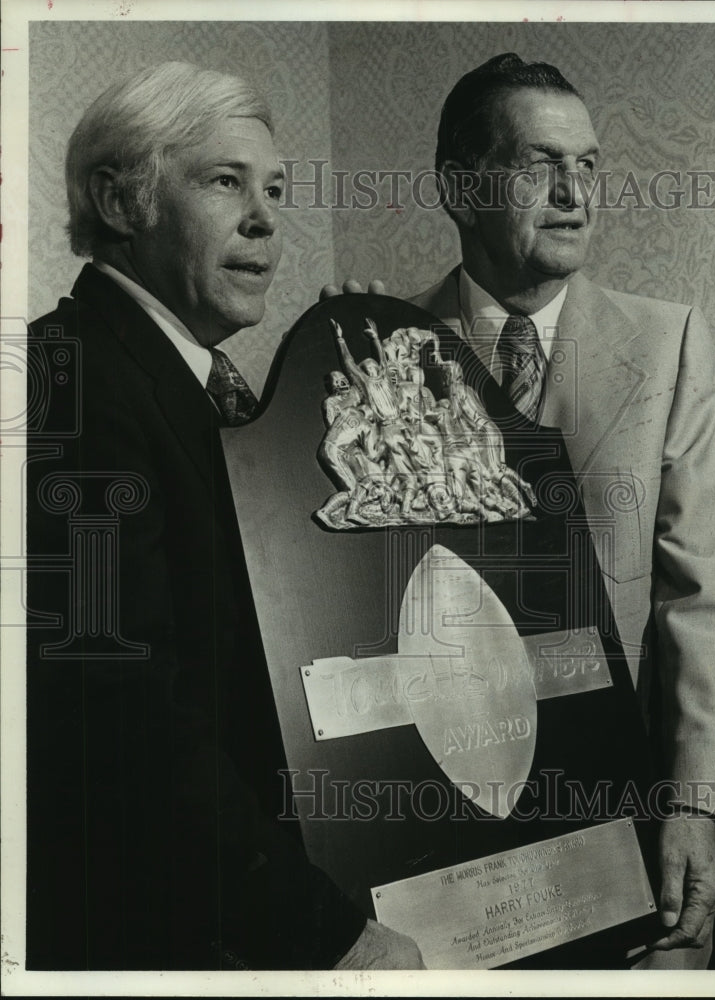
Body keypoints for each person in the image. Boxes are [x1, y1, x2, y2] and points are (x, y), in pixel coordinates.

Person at [26, 60, 423, 971]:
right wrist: (324, 932)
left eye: (275, 190)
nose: (266, 220)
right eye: (224, 182)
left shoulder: (191, 385)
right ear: (120, 202)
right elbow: (119, 714)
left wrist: (326, 407)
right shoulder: (69, 385)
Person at [409, 53, 715, 969]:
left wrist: (698, 808)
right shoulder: (384, 351)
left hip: (631, 810)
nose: (575, 192)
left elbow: (711, 595)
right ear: (459, 185)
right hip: (443, 824)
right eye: (538, 164)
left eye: (589, 164)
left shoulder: (669, 341)